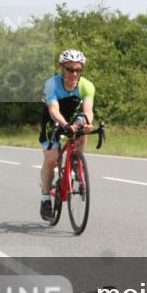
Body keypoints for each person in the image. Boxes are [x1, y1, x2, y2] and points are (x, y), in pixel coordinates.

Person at [39, 49, 95, 220]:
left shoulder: (87, 85)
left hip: (73, 116)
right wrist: (64, 125)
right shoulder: (52, 84)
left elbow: (88, 110)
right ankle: (45, 198)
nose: (74, 73)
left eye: (78, 69)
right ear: (61, 67)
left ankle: (77, 161)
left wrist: (86, 123)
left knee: (82, 125)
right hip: (52, 119)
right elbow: (54, 109)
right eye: (69, 69)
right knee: (51, 158)